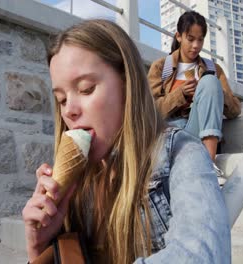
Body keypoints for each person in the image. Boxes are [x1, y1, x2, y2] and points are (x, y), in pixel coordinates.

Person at [22, 19, 231, 264]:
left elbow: (201, 256)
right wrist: (40, 247)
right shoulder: (76, 186)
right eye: (61, 99)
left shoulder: (182, 154)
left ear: (126, 83)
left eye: (86, 89)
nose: (69, 110)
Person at [147, 11, 241, 183]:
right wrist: (180, 94)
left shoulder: (213, 68)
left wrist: (212, 90)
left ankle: (209, 164)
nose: (196, 45)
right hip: (170, 133)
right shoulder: (161, 67)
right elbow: (150, 112)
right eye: (190, 39)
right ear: (179, 36)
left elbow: (235, 110)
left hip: (199, 131)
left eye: (200, 39)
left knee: (211, 82)